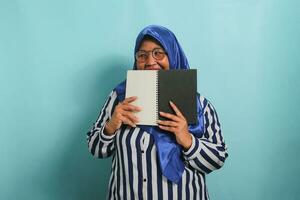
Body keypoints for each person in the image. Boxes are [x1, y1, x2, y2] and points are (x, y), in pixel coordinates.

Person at [87, 25, 228, 200]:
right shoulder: (119, 98)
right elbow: (96, 149)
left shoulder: (200, 104)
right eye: (142, 55)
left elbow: (218, 159)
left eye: (158, 53)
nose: (150, 61)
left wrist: (188, 140)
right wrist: (111, 127)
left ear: (173, 54)